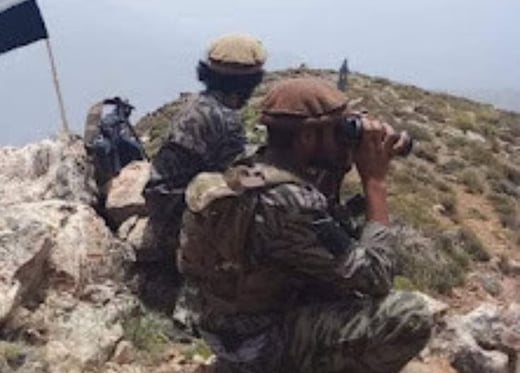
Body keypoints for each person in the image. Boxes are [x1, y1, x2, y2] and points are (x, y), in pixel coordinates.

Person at [178, 77, 433, 373]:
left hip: (225, 329)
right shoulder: (292, 203)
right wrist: (375, 182)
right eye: (337, 130)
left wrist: (339, 159)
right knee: (410, 315)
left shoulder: (249, 170)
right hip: (261, 347)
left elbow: (320, 224)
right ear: (307, 137)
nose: (344, 137)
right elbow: (376, 275)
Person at [140, 33, 266, 312]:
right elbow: (239, 179)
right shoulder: (226, 120)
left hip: (162, 209)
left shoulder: (197, 106)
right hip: (180, 225)